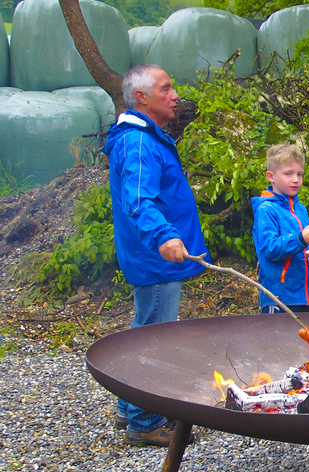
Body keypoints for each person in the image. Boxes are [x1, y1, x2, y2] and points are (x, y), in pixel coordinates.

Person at [102, 64, 209, 447]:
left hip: (152, 255)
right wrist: (163, 234)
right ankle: (145, 422)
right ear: (142, 98)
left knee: (144, 325)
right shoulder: (140, 143)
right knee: (154, 335)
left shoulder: (145, 136)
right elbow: (137, 199)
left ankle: (129, 406)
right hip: (155, 257)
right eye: (166, 89)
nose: (175, 94)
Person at [252, 143, 309, 314]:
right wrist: (301, 239)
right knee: (280, 341)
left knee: (304, 340)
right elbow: (270, 249)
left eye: (299, 174)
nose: (295, 179)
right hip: (278, 297)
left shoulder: (301, 209)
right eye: (288, 174)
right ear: (271, 176)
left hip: (305, 294)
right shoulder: (266, 210)